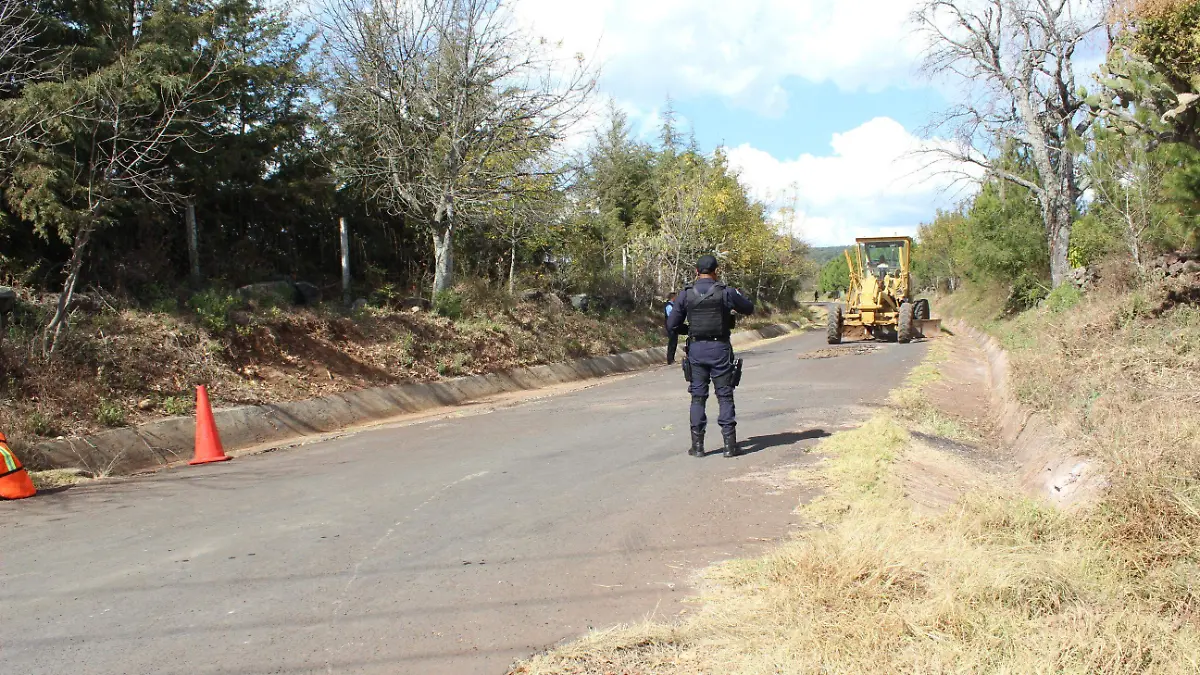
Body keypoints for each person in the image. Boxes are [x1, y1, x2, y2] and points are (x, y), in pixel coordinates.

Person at [666, 255, 755, 458]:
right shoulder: (726, 292)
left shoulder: (685, 295)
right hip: (720, 348)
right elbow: (749, 308)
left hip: (696, 349)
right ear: (717, 271)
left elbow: (671, 325)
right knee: (724, 396)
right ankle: (729, 446)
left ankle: (698, 447)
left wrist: (689, 329)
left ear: (696, 272)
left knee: (698, 397)